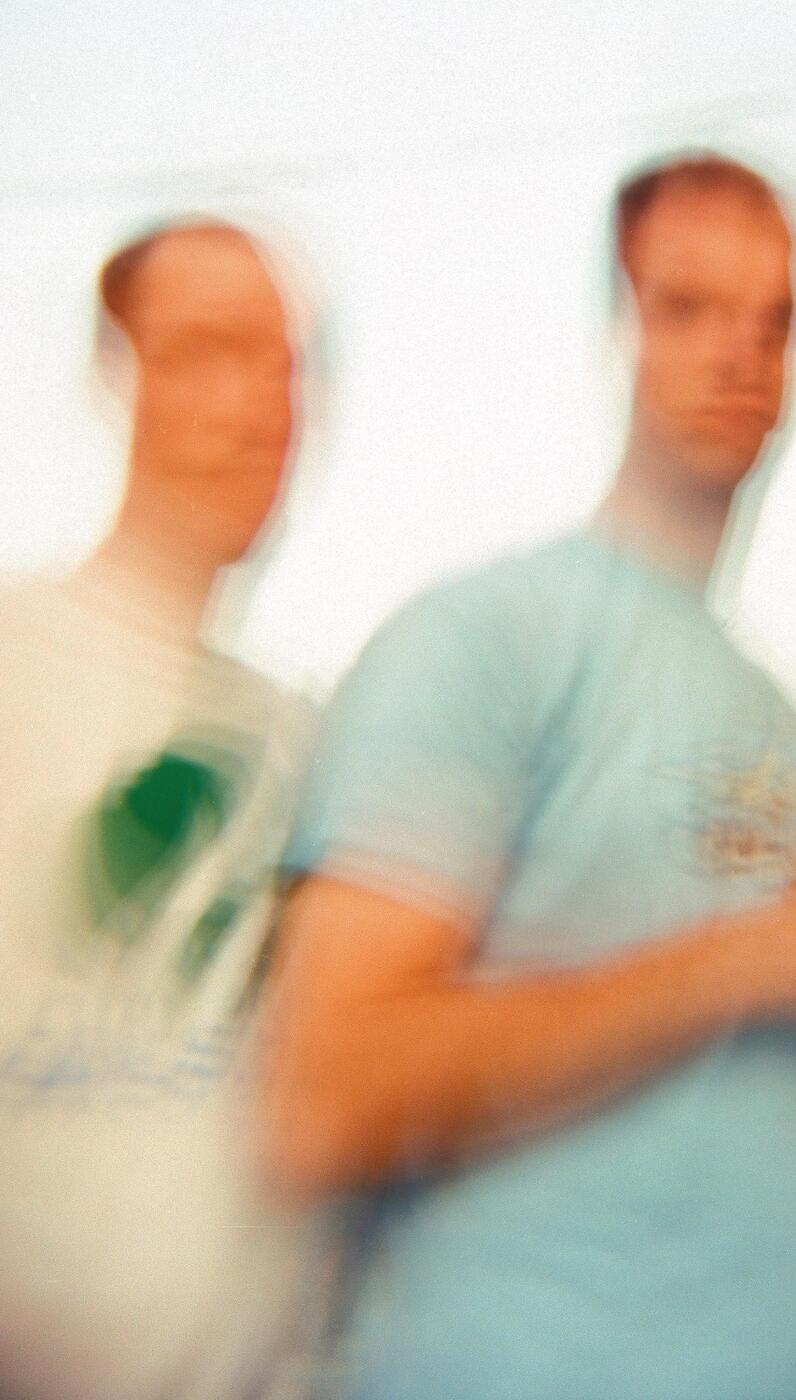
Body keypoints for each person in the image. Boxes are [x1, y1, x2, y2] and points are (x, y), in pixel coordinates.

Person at [264, 152, 796, 1400]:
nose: (738, 353)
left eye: (774, 320)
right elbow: (326, 1095)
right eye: (689, 307)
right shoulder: (486, 633)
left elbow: (756, 1096)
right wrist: (765, 955)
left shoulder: (784, 717)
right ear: (618, 330)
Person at [0, 219, 316, 1398]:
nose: (259, 406)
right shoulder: (15, 659)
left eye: (285, 364)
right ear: (113, 375)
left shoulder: (306, 732)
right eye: (207, 350)